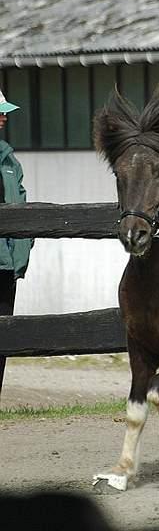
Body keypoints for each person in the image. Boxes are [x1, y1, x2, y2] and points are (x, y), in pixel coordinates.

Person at [0, 90, 33, 394]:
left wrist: (20, 256)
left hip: (5, 268)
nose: (4, 117)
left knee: (5, 337)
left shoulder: (10, 161)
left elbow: (22, 206)